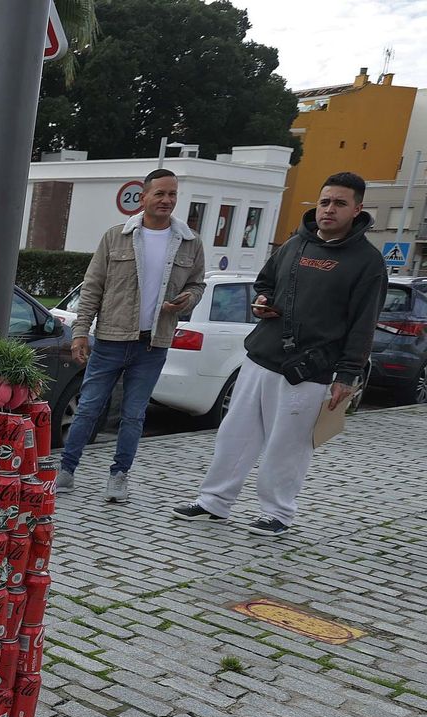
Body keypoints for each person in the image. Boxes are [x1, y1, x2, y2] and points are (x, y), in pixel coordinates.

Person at [174, 172, 386, 535]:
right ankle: (214, 502)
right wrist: (261, 300)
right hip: (261, 356)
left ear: (357, 209)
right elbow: (266, 281)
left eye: (339, 203)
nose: (329, 210)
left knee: (287, 446)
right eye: (324, 202)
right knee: (234, 434)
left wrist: (347, 376)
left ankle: (278, 512)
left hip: (308, 370)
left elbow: (364, 324)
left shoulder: (367, 262)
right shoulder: (295, 244)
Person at [58, 168, 204, 503]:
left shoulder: (190, 242)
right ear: (144, 197)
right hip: (111, 338)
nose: (167, 200)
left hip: (153, 344)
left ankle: (119, 476)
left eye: (172, 194)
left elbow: (197, 283)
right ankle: (66, 472)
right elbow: (93, 287)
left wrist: (188, 299)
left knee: (135, 414)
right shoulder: (116, 236)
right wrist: (81, 332)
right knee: (88, 407)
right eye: (160, 194)